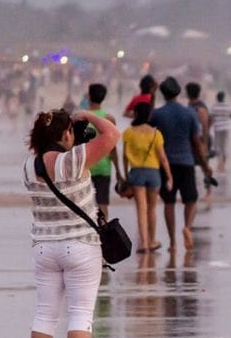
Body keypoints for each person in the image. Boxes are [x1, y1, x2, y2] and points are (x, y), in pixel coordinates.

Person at [21, 108, 119, 338]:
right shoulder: (74, 160)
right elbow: (111, 134)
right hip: (80, 246)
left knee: (44, 313)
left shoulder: (29, 166)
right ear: (66, 134)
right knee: (80, 313)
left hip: (43, 246)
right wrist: (87, 115)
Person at [149, 76, 214, 251]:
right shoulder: (189, 113)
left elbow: (146, 128)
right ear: (178, 93)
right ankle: (187, 227)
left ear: (164, 94)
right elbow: (197, 142)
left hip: (165, 164)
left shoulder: (158, 114)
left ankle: (173, 243)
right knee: (191, 199)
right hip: (186, 162)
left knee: (169, 202)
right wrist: (205, 165)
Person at [122, 102, 173, 252]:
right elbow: (163, 158)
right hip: (153, 173)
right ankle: (151, 240)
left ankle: (143, 243)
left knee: (141, 210)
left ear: (136, 114)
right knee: (152, 209)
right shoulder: (156, 133)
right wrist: (169, 176)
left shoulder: (128, 133)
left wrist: (125, 174)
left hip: (136, 172)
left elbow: (125, 156)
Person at [85, 83, 123, 219]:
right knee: (102, 204)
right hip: (104, 167)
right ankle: (104, 235)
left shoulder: (82, 117)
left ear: (89, 96)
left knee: (84, 204)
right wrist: (118, 171)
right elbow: (112, 147)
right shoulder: (108, 118)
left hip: (85, 166)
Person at [210, 91, 231, 172]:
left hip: (218, 128)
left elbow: (211, 118)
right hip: (226, 128)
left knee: (218, 146)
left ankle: (219, 164)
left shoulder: (214, 106)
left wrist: (209, 127)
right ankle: (223, 165)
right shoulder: (227, 106)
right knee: (224, 146)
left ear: (217, 98)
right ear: (224, 98)